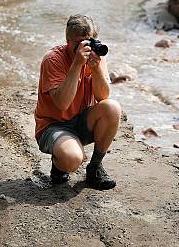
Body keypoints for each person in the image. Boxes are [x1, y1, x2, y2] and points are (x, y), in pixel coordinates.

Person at [34, 14, 121, 190]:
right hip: (53, 126)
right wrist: (77, 65)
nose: (86, 47)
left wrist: (96, 69)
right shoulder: (53, 59)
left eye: (90, 41)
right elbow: (62, 104)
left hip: (81, 120)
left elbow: (103, 97)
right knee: (72, 160)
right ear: (68, 41)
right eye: (80, 42)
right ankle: (59, 165)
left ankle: (95, 168)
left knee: (112, 107)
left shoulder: (96, 57)